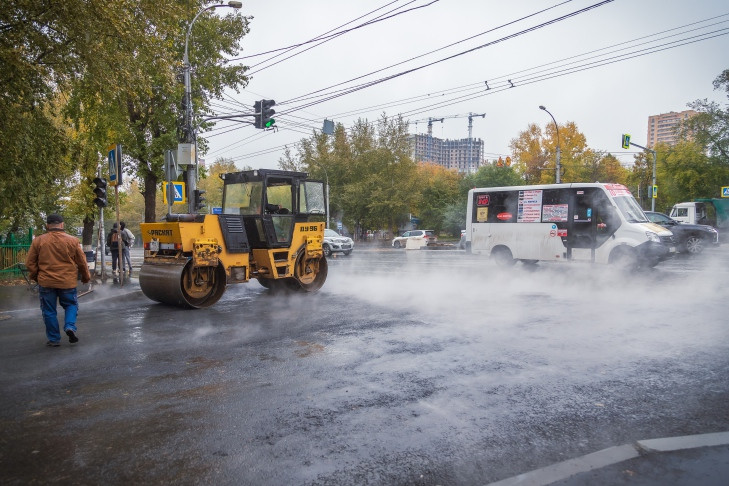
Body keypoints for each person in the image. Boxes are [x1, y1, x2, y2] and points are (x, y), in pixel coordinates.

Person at [25, 213, 91, 347]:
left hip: (46, 282)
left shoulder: (38, 241)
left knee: (49, 310)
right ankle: (70, 326)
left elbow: (30, 263)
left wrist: (35, 277)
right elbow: (82, 262)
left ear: (47, 225)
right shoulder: (73, 240)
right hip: (67, 282)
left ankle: (54, 339)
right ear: (62, 225)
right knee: (71, 305)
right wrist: (86, 277)